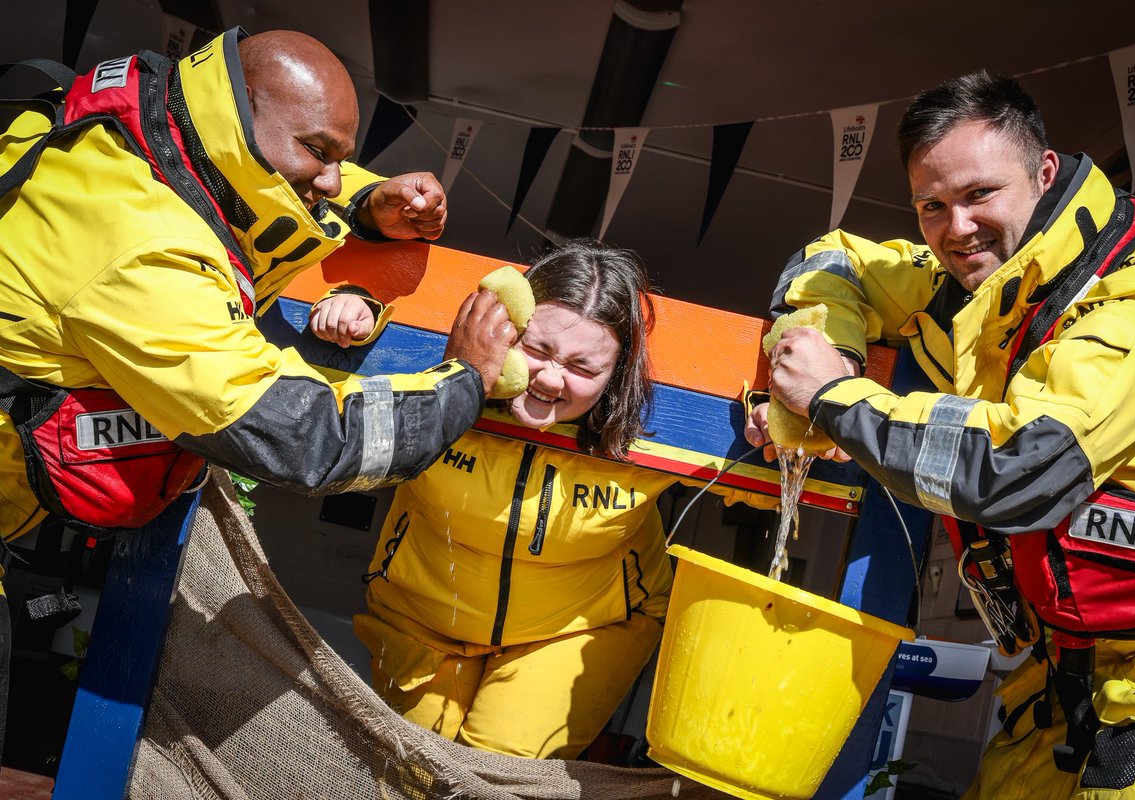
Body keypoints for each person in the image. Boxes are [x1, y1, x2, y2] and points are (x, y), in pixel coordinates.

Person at [0, 27, 512, 752]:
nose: (333, 179)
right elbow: (306, 440)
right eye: (323, 152)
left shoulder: (139, 127)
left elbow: (244, 198)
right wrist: (462, 381)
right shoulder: (146, 253)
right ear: (237, 120)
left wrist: (370, 207)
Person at [749, 70, 1135, 799]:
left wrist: (834, 397)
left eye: (979, 195)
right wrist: (825, 358)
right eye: (933, 205)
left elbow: (1018, 470)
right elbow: (831, 258)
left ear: (1043, 172)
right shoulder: (974, 284)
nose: (956, 228)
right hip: (1048, 694)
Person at [352, 239, 773, 760]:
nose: (551, 379)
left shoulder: (652, 435)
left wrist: (778, 421)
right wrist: (358, 301)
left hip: (579, 629)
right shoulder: (430, 384)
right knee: (409, 772)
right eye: (538, 350)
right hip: (420, 616)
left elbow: (776, 495)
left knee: (493, 776)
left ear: (617, 374)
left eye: (583, 367)